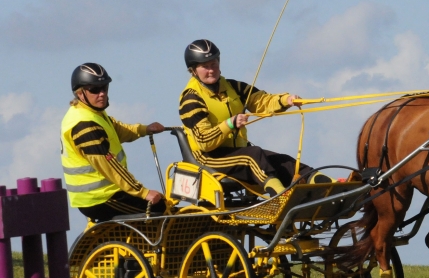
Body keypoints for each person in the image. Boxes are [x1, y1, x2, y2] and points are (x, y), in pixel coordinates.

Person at [178, 39, 330, 196]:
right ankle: (279, 195)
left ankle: (330, 185)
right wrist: (230, 124)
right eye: (205, 66)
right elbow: (204, 142)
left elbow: (261, 101)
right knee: (254, 156)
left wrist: (286, 100)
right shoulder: (190, 99)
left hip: (237, 151)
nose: (211, 70)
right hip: (208, 157)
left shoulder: (233, 87)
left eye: (214, 64)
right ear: (193, 70)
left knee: (283, 161)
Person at [61, 63, 167, 221]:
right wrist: (143, 192)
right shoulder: (84, 125)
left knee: (161, 203)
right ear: (80, 93)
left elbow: (116, 130)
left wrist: (145, 129)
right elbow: (109, 165)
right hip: (99, 198)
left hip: (109, 192)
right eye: (95, 89)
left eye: (104, 87)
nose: (102, 93)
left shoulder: (92, 113)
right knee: (158, 208)